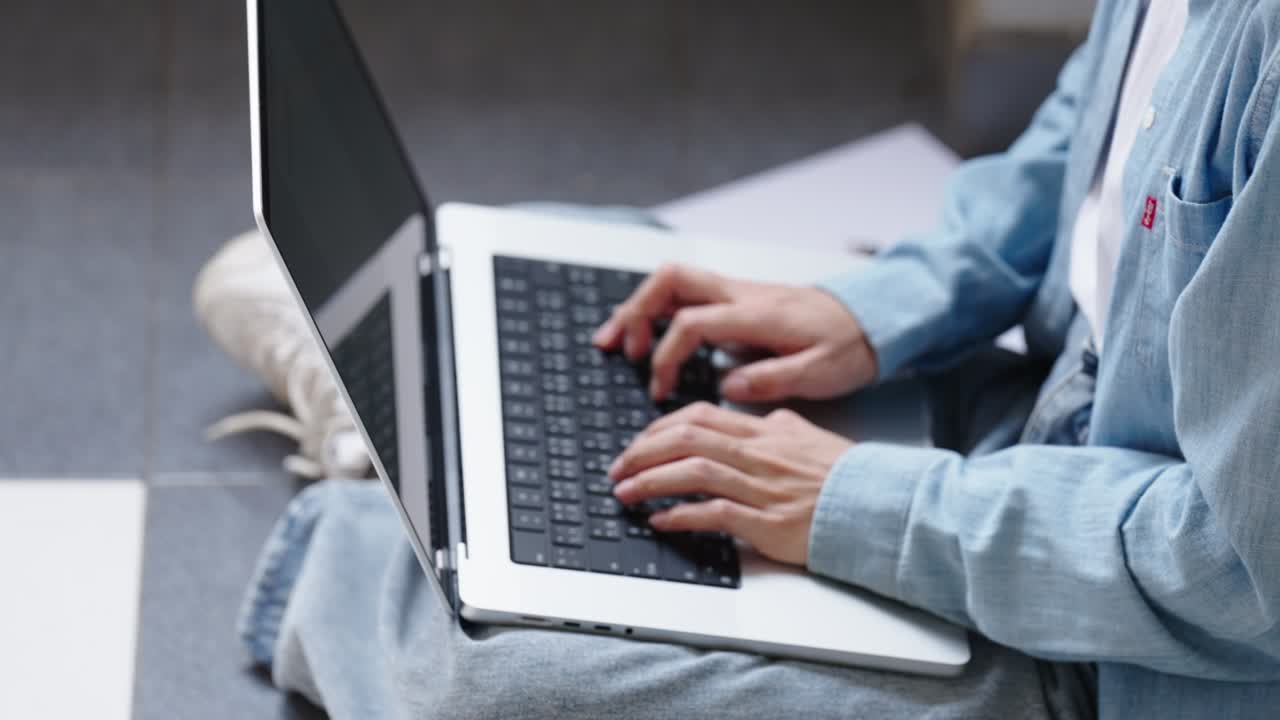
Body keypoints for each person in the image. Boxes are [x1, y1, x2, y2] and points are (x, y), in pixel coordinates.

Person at [200, 0, 1280, 717]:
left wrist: (857, 504)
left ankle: (377, 477)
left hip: (1113, 653)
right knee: (566, 273)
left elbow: (1238, 574)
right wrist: (876, 306)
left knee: (503, 686)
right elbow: (1079, 139)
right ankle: (434, 429)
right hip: (1038, 415)